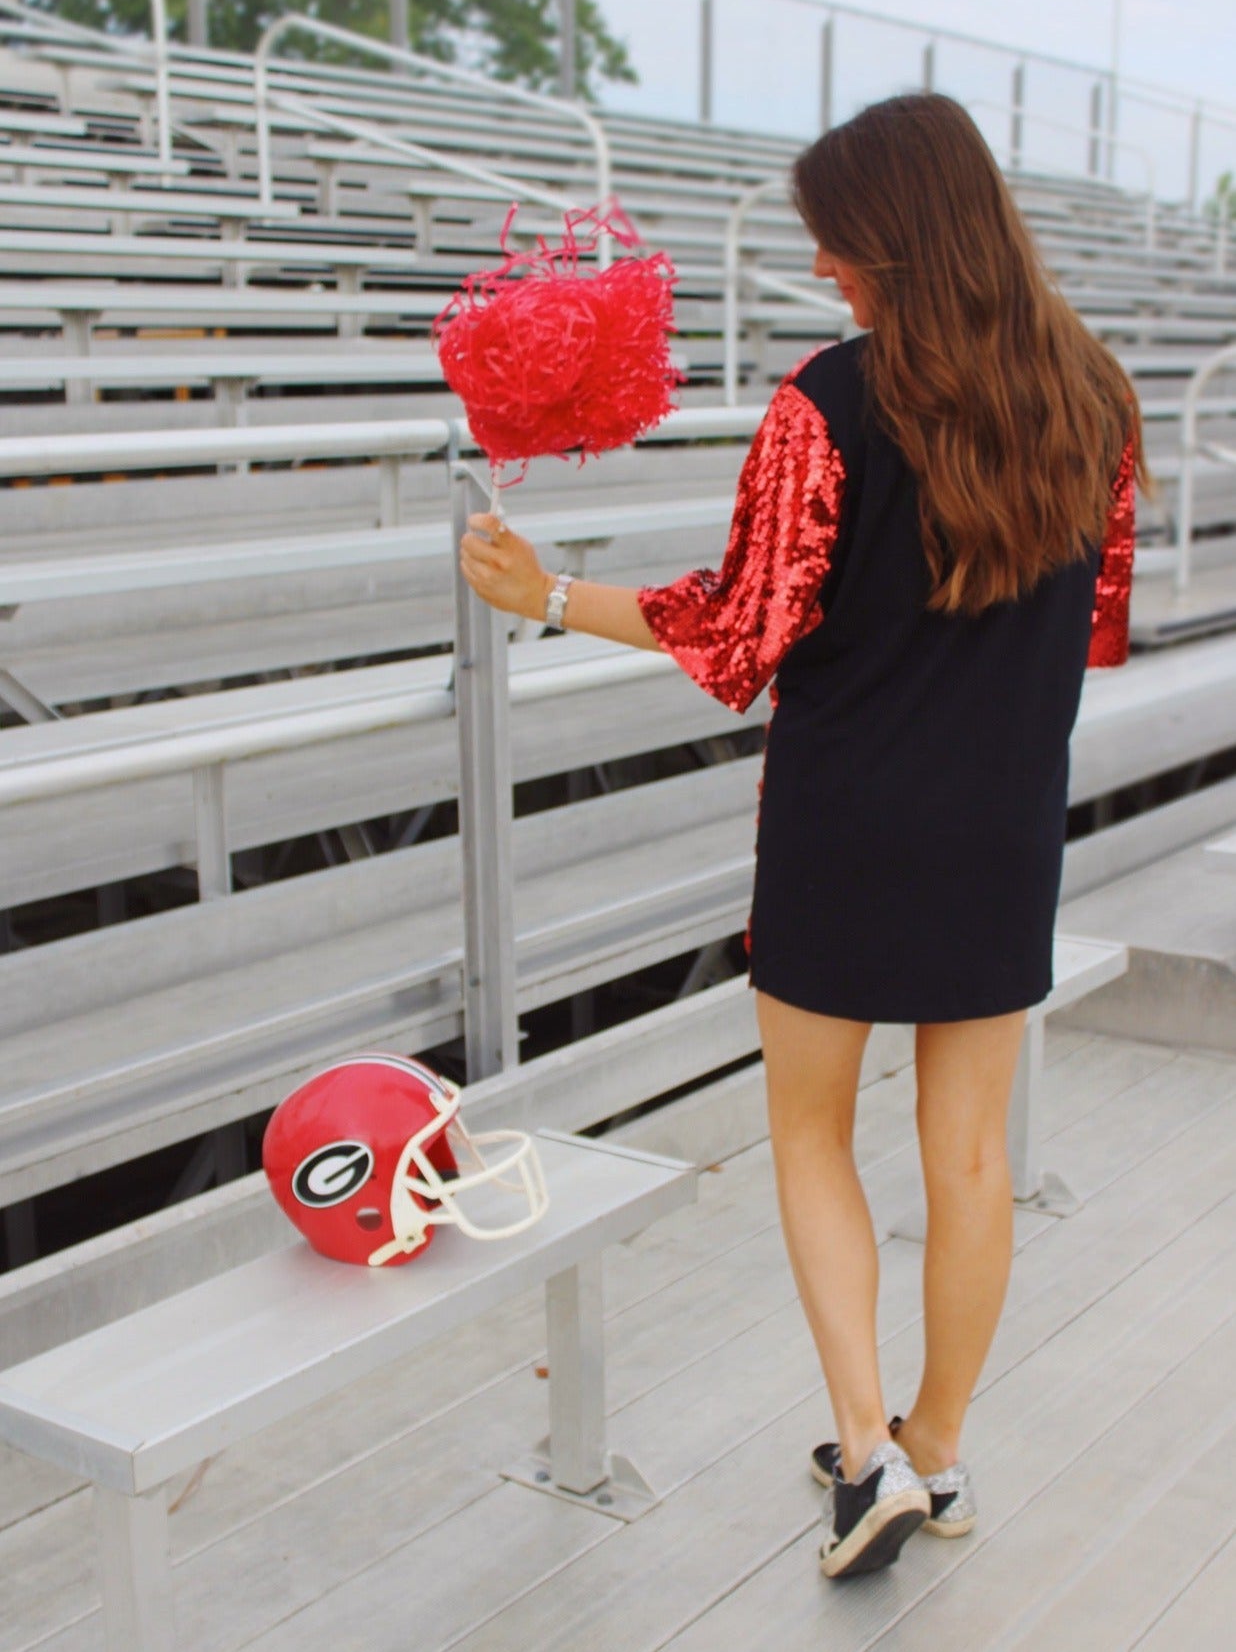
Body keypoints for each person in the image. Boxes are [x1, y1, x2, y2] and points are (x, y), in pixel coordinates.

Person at [458, 91, 1152, 1580]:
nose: (827, 269)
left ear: (894, 235)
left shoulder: (826, 402)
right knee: (969, 1156)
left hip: (845, 816)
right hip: (1002, 823)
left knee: (808, 1134)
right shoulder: (1097, 396)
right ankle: (940, 1448)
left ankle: (866, 1448)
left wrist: (549, 595)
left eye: (839, 245)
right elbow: (1097, 635)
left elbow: (736, 635)